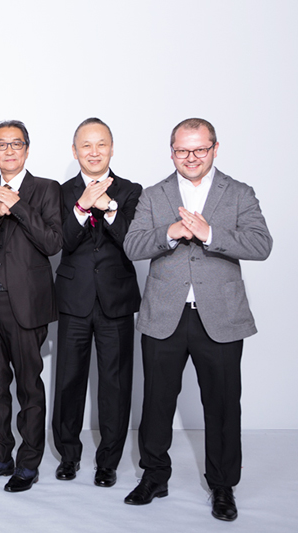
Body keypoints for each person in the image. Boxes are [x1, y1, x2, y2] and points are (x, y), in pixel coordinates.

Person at [123, 118, 272, 521]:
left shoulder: (239, 193)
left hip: (220, 316)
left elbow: (261, 244)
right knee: (156, 402)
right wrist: (170, 232)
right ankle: (154, 476)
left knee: (222, 405)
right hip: (164, 315)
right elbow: (133, 245)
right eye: (182, 150)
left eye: (200, 149)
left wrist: (210, 234)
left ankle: (223, 486)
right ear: (171, 151)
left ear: (215, 149)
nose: (191, 157)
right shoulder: (153, 194)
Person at [0, 120, 62, 492]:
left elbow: (52, 242)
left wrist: (18, 206)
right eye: (1, 144)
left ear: (27, 149)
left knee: (29, 388)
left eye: (16, 144)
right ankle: (0, 456)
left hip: (27, 303)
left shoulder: (46, 189)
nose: (8, 150)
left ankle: (28, 463)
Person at [51, 118, 142, 487]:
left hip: (116, 300)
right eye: (86, 145)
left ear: (112, 148)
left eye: (101, 144)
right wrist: (81, 207)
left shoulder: (131, 191)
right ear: (75, 152)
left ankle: (108, 462)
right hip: (73, 299)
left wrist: (109, 207)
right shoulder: (60, 192)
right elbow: (60, 243)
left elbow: (134, 243)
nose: (94, 151)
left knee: (115, 384)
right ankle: (68, 456)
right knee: (68, 380)